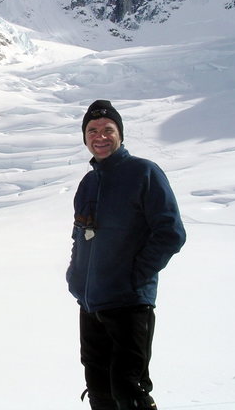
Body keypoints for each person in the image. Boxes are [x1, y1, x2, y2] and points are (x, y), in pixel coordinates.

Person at [66, 100, 186, 410]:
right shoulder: (88, 183)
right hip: (91, 306)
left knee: (129, 392)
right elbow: (80, 236)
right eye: (92, 131)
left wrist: (134, 276)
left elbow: (170, 232)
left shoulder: (143, 172)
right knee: (100, 393)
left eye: (108, 129)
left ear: (120, 134)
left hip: (129, 304)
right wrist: (76, 277)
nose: (100, 136)